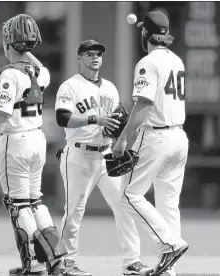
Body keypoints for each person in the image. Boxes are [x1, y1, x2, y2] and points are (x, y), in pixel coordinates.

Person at [0, 14, 66, 276]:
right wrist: (27, 54)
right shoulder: (36, 73)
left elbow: (0, 116)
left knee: (19, 205)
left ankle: (33, 265)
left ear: (7, 43)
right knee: (35, 202)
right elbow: (41, 67)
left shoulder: (10, 76)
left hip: (16, 143)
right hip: (37, 140)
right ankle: (55, 260)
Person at [55, 39, 150, 276]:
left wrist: (120, 136)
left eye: (99, 53)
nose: (95, 57)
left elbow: (116, 120)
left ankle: (132, 262)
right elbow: (62, 118)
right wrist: (94, 120)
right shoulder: (70, 86)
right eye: (89, 53)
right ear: (80, 58)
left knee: (123, 205)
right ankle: (66, 262)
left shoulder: (110, 88)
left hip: (106, 155)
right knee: (74, 210)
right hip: (78, 154)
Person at [112, 11, 189, 276]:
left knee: (128, 196)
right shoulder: (177, 60)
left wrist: (123, 139)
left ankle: (170, 244)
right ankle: (170, 270)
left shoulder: (148, 62)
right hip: (179, 137)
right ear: (166, 34)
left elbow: (144, 104)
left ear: (146, 34)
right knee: (168, 203)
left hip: (157, 137)